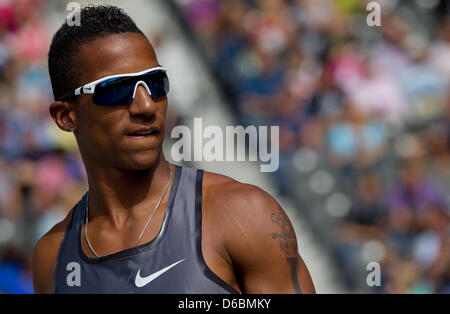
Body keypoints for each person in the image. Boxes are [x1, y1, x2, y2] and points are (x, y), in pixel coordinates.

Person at [31, 5, 315, 294]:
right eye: (116, 89)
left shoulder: (241, 213)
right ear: (66, 116)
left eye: (155, 84)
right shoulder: (52, 257)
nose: (146, 105)